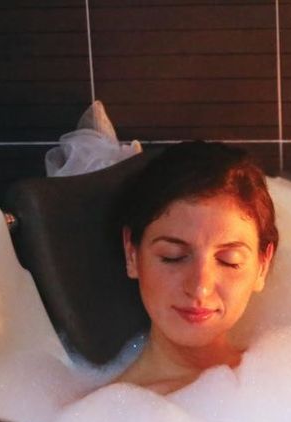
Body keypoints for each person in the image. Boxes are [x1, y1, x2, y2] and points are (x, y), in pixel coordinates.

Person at [115, 141, 277, 394]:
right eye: (173, 256)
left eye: (229, 260)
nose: (200, 288)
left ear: (262, 267)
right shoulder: (105, 421)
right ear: (132, 254)